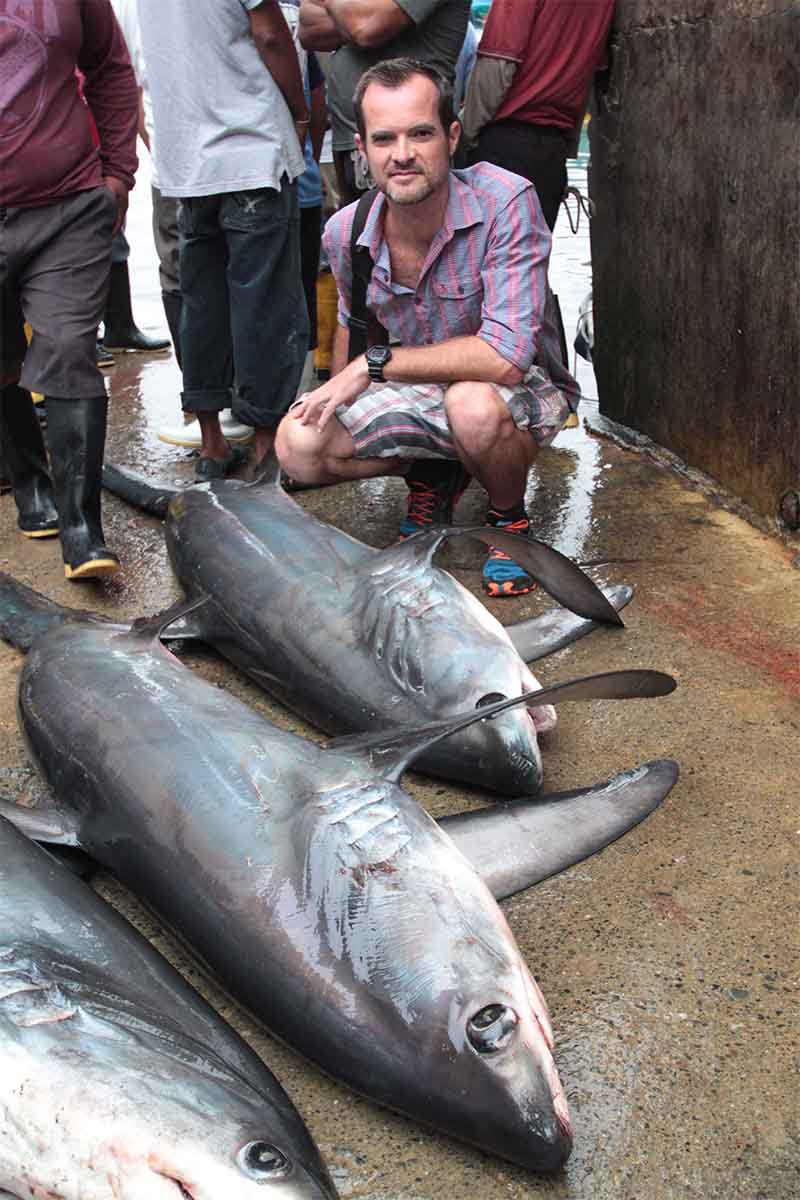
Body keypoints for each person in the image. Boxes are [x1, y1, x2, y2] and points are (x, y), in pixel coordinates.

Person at [276, 58, 579, 596]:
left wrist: (370, 369)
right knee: (298, 442)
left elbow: (505, 357)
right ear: (364, 151)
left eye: (421, 133)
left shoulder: (506, 201)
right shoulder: (345, 230)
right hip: (419, 387)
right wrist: (338, 388)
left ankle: (508, 520)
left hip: (518, 389)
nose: (403, 155)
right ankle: (432, 473)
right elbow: (353, 322)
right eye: (384, 138)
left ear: (451, 136)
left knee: (472, 405)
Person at [136, 0, 310, 476]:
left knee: (202, 303)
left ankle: (212, 444)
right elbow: (271, 35)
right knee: (265, 305)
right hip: (249, 147)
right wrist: (300, 111)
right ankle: (265, 449)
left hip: (186, 161)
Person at [0, 0, 138, 579]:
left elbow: (108, 65)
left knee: (67, 347)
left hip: (69, 205)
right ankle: (31, 483)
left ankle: (83, 528)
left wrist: (117, 173)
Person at [461, 0, 615, 232]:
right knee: (527, 262)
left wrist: (462, 138)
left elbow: (498, 64)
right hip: (550, 153)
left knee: (477, 259)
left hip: (502, 146)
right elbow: (587, 71)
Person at [298, 0, 470, 206]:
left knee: (416, 233)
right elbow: (309, 31)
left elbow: (366, 26)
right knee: (360, 231)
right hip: (352, 142)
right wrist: (353, 21)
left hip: (414, 144)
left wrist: (350, 19)